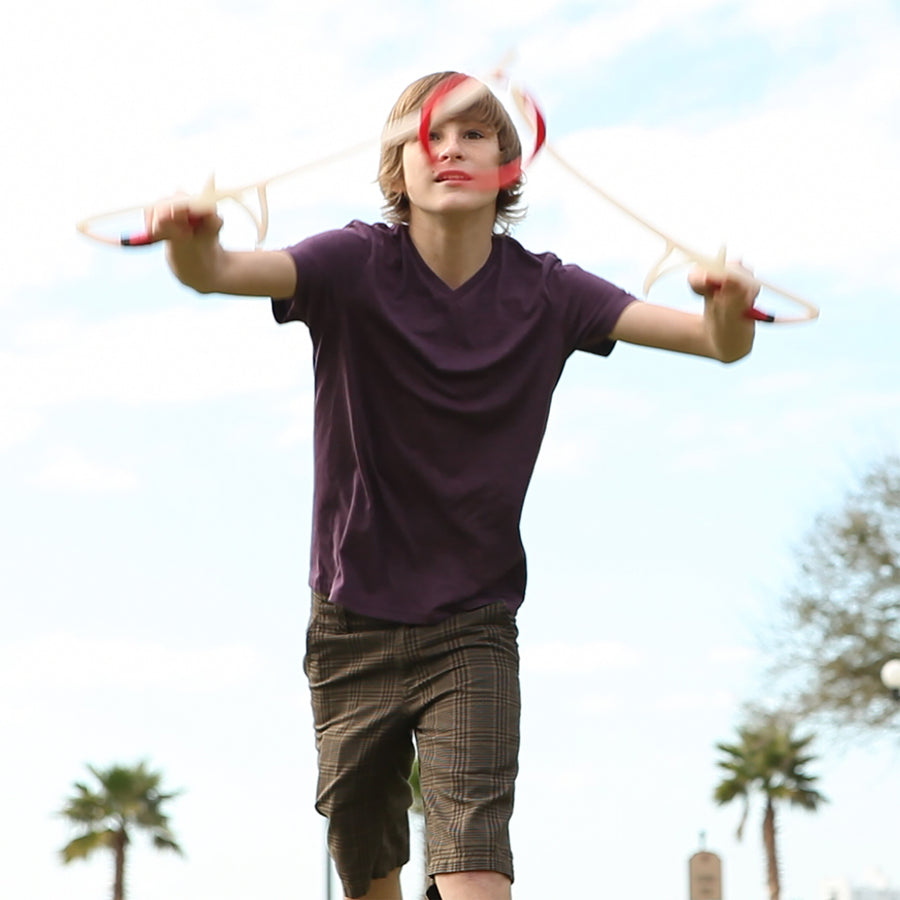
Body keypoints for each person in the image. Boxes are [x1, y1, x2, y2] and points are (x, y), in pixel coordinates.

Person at [149, 72, 757, 900]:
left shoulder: (550, 291)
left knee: (474, 862)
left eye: (473, 134)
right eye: (428, 136)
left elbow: (718, 345)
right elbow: (213, 270)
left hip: (472, 624)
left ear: (509, 167)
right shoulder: (351, 263)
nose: (450, 148)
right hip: (350, 617)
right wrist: (191, 236)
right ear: (397, 170)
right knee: (368, 870)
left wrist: (728, 303)